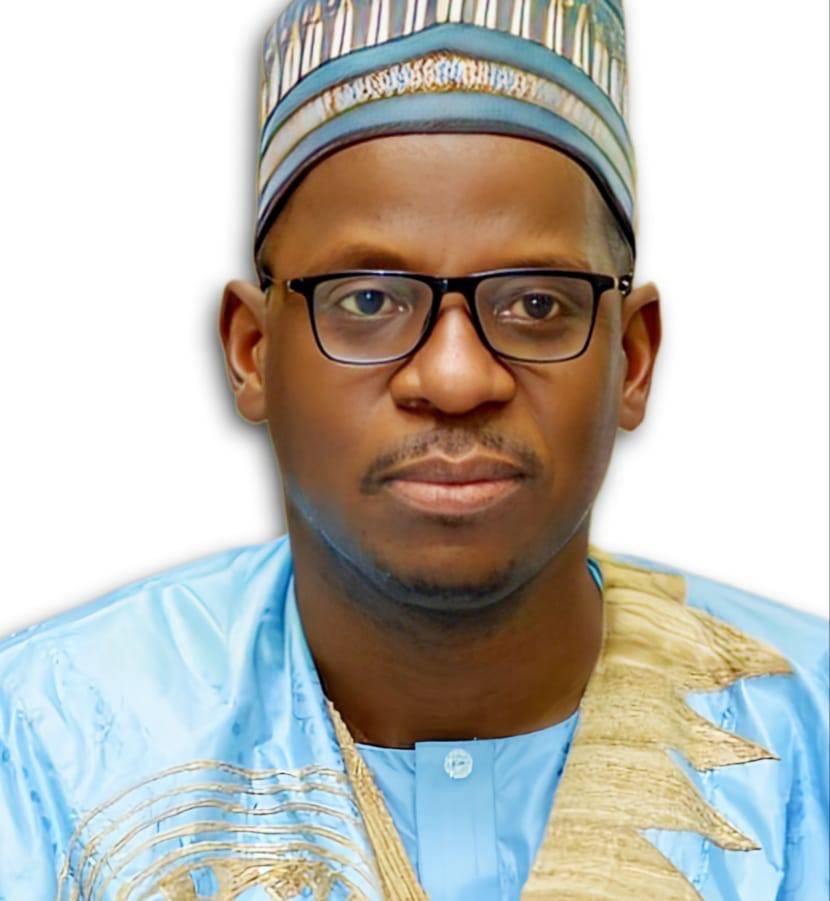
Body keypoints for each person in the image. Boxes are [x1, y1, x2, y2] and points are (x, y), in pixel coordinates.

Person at [1, 0, 826, 898]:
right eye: (368, 301)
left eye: (536, 303)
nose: (457, 377)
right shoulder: (46, 751)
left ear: (632, 357)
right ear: (253, 352)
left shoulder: (809, 740)